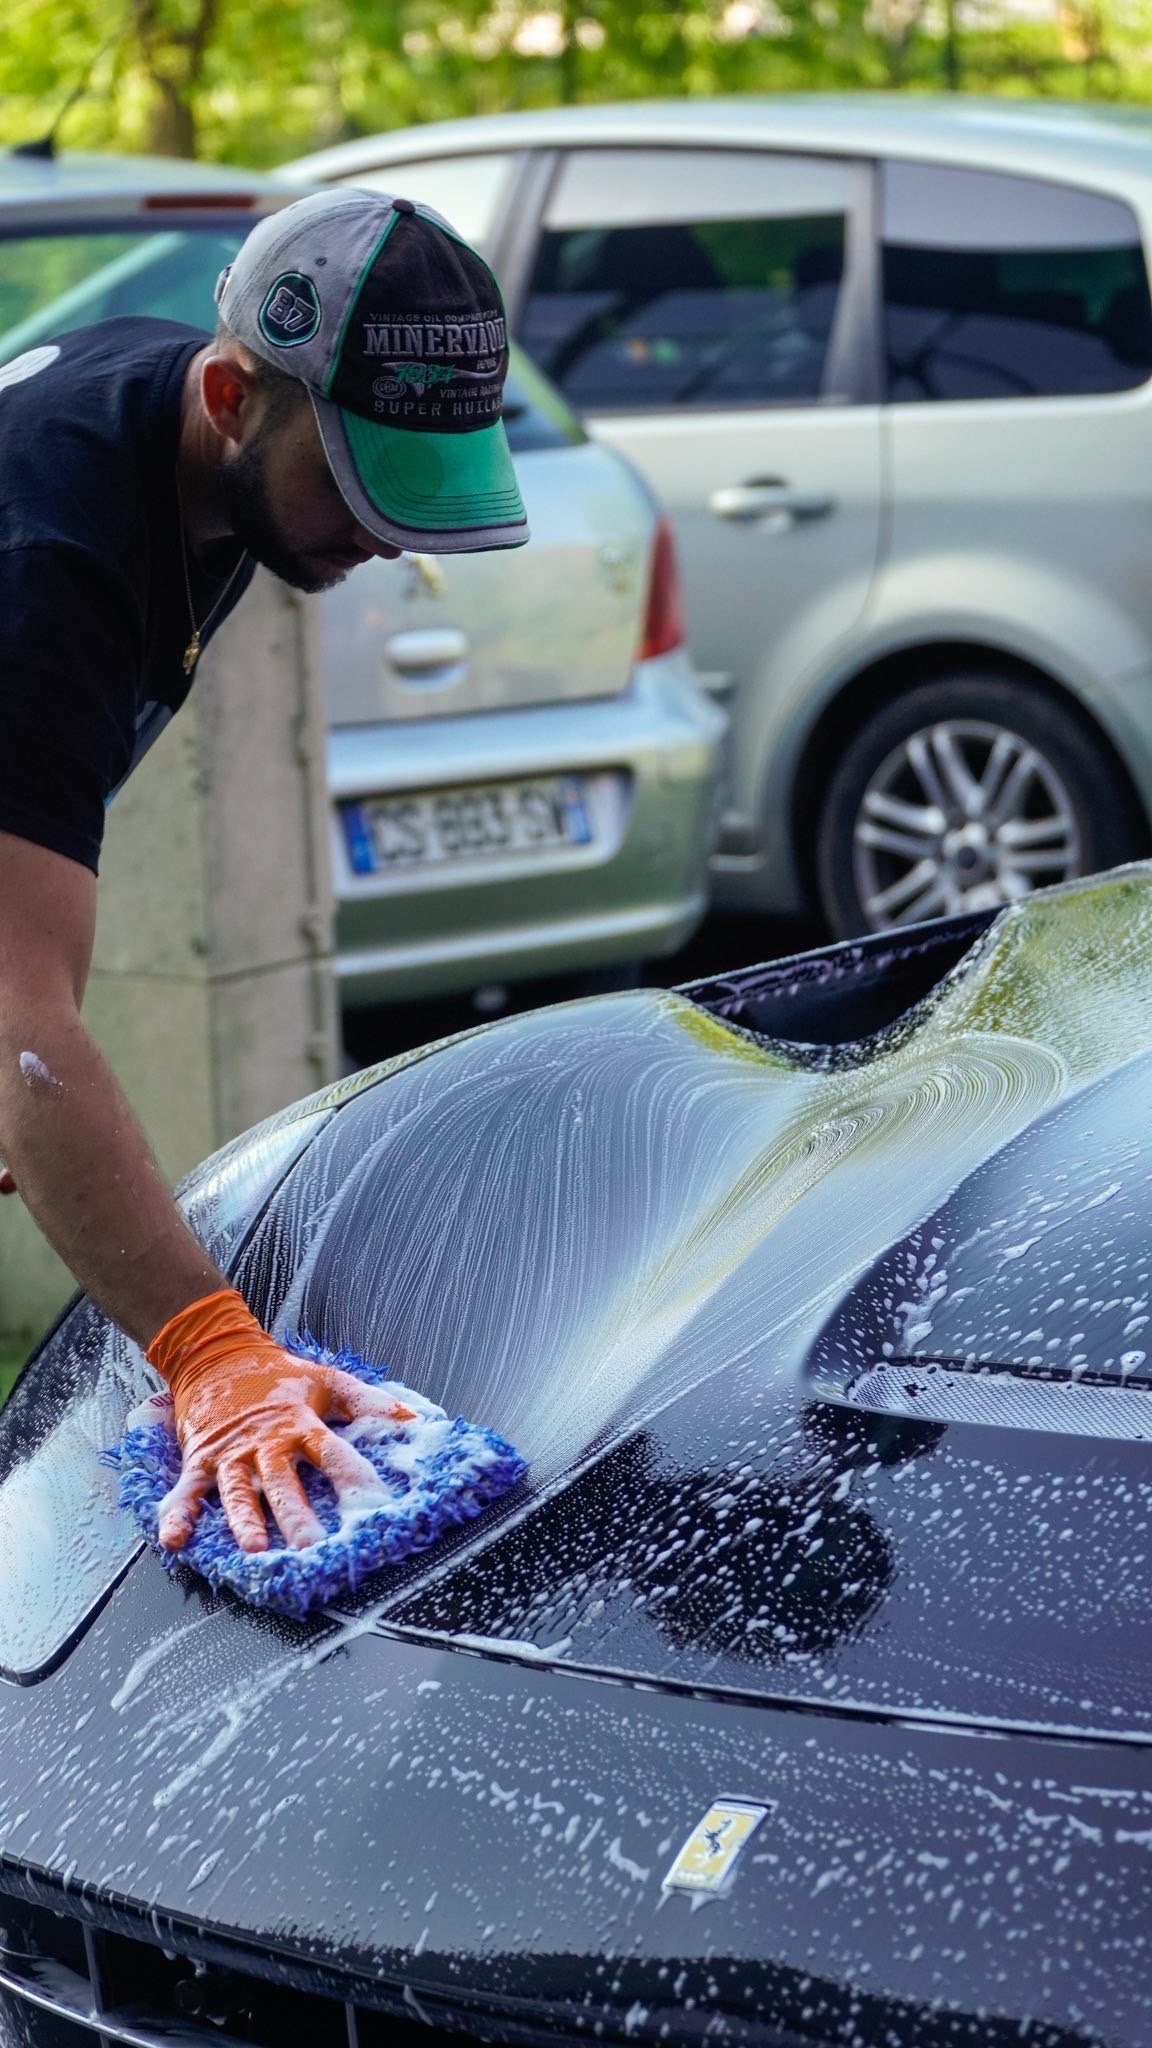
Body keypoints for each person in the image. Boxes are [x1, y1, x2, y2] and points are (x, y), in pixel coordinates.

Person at [0, 187, 528, 1560]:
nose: (395, 537)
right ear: (235, 396)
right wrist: (215, 1356)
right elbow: (24, 1036)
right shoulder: (44, 568)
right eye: (358, 488)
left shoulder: (180, 431)